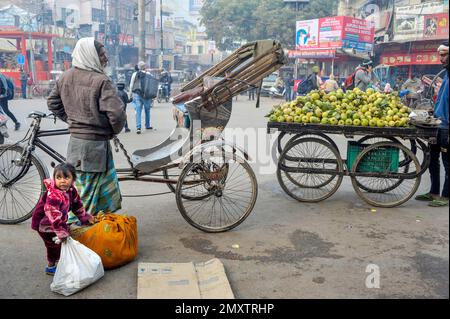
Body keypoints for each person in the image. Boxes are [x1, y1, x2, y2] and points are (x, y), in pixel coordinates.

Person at [47, 37, 126, 216]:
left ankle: (92, 231)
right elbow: (118, 115)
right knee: (85, 198)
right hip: (95, 147)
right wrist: (111, 130)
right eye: (102, 54)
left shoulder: (65, 76)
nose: (106, 58)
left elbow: (53, 102)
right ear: (91, 55)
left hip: (76, 144)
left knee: (79, 190)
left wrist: (72, 120)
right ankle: (74, 235)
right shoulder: (101, 80)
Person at [31, 163, 94, 275]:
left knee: (61, 243)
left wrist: (84, 217)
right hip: (45, 225)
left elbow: (77, 205)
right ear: (54, 179)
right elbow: (53, 215)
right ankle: (51, 266)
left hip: (57, 223)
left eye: (66, 177)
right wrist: (61, 232)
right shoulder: (53, 195)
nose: (62, 181)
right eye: (58, 178)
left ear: (73, 179)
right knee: (53, 245)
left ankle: (60, 261)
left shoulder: (71, 190)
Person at [415, 41, 449, 207]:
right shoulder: (447, 74)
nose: (440, 58)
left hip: (447, 126)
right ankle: (434, 191)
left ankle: (446, 196)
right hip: (438, 124)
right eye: (440, 55)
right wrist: (434, 112)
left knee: (447, 162)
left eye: (444, 55)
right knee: (432, 159)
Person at [129, 61, 155, 133]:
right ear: (145, 67)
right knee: (147, 110)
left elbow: (131, 84)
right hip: (146, 95)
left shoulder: (134, 74)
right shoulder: (149, 74)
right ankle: (147, 125)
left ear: (138, 67)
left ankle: (138, 127)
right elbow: (152, 84)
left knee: (138, 111)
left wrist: (130, 94)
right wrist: (153, 95)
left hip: (137, 94)